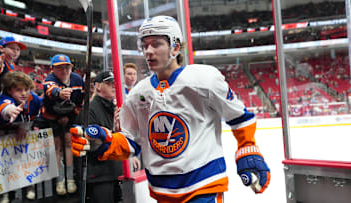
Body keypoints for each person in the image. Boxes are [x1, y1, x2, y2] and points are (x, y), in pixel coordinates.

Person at [70, 16, 270, 202]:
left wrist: (247, 148)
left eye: (156, 44)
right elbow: (132, 141)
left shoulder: (204, 80)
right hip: (161, 191)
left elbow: (239, 116)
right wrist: (104, 142)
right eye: (145, 45)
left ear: (175, 47)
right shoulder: (138, 93)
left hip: (203, 187)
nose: (148, 51)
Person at [34, 54, 84, 195]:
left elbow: (80, 103)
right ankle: (60, 180)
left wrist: (69, 116)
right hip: (51, 117)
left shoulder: (78, 80)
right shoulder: (49, 79)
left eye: (67, 67)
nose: (64, 71)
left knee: (68, 142)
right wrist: (60, 93)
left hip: (70, 116)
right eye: (60, 68)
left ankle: (70, 179)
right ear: (52, 69)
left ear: (71, 68)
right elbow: (51, 90)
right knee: (56, 145)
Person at [76, 71, 126, 203]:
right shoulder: (90, 109)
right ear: (97, 86)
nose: (114, 86)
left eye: (116, 83)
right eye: (109, 83)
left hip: (114, 171)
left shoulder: (113, 107)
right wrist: (114, 133)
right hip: (99, 174)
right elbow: (93, 145)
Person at [0, 71, 41, 203]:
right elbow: (4, 107)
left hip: (20, 126)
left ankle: (29, 185)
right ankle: (3, 191)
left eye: (26, 89)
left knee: (26, 155)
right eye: (19, 90)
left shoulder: (34, 100)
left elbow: (33, 117)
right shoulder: (3, 98)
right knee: (2, 163)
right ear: (9, 90)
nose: (24, 93)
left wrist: (24, 128)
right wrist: (10, 111)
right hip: (0, 130)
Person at [0, 36, 27, 103]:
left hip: (2, 98)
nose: (15, 51)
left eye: (18, 49)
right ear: (1, 48)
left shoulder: (12, 64)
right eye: (12, 48)